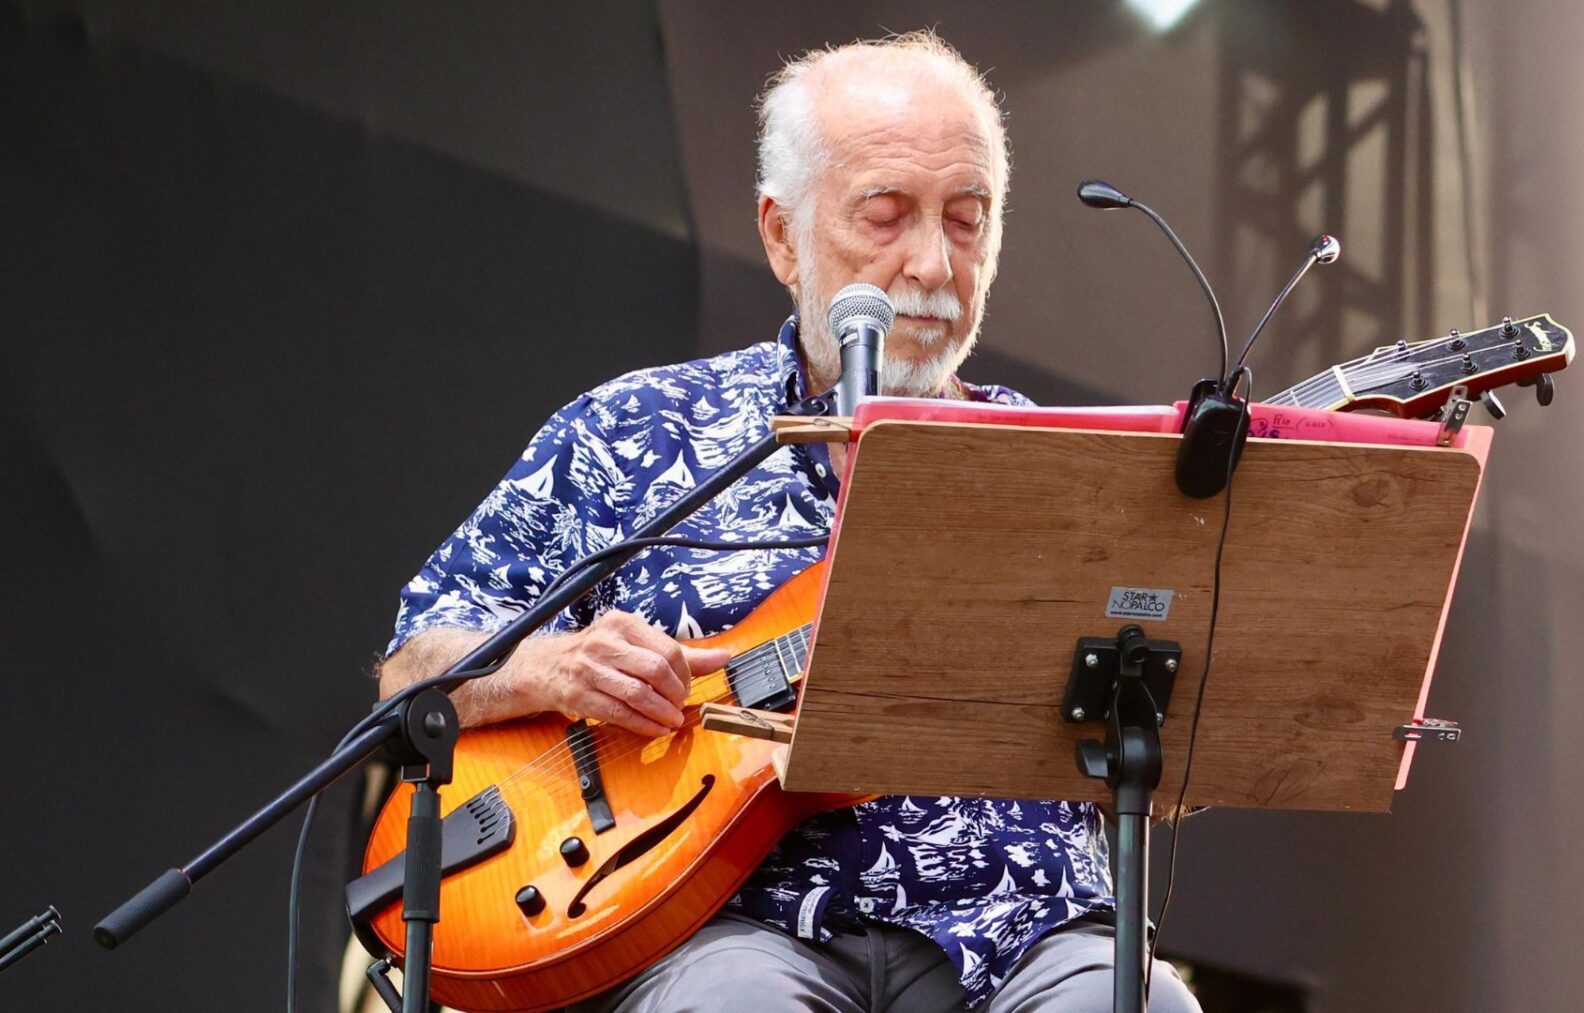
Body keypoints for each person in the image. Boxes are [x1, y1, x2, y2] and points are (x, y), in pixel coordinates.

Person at [378, 31, 1200, 1013]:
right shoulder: (634, 430)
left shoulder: (1074, 472)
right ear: (782, 235)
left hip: (1023, 931)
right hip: (737, 927)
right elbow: (408, 672)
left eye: (968, 221)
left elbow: (1182, 759)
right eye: (887, 216)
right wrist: (556, 666)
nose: (933, 263)